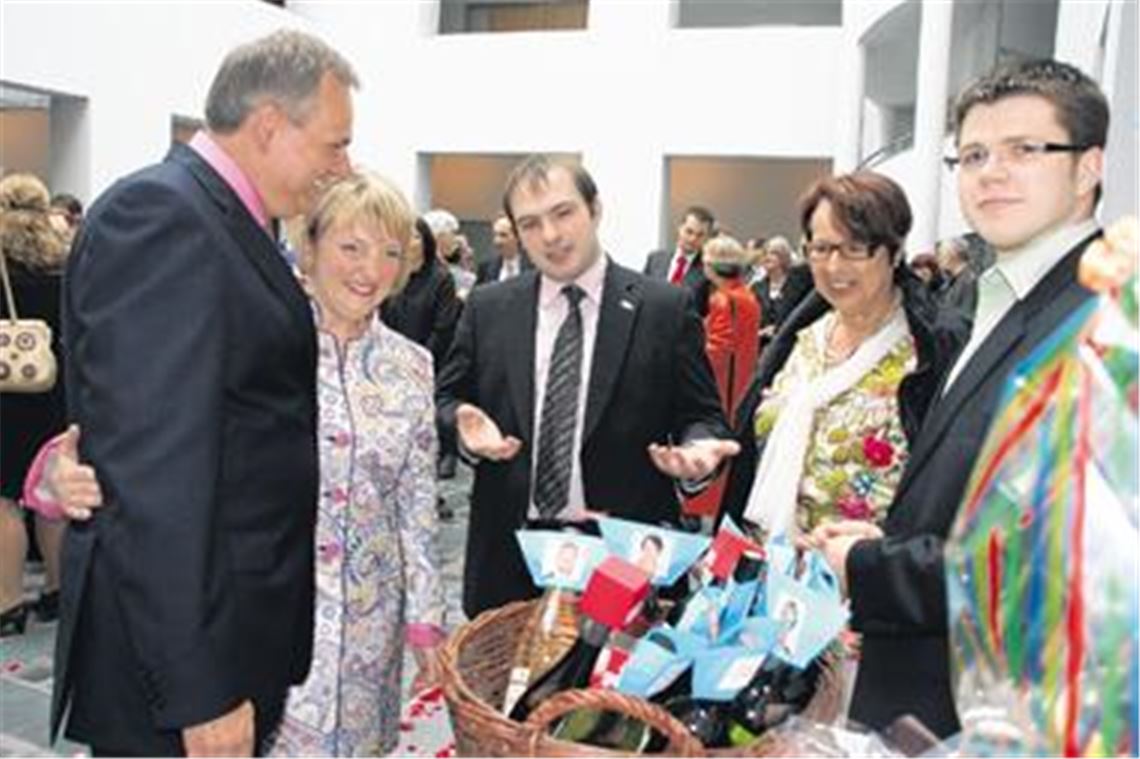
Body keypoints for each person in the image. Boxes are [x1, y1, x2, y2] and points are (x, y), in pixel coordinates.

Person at [35, 172, 448, 756]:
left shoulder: (413, 366)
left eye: (389, 252)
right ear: (311, 245)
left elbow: (416, 503)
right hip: (263, 618)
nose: (370, 269)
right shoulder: (256, 338)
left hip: (369, 632)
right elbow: (159, 443)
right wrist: (58, 471)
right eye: (351, 247)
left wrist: (426, 618)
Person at [53, 30, 356, 756]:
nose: (342, 166)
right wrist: (200, 688)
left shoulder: (217, 217)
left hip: (226, 637)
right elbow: (159, 475)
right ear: (269, 127)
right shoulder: (167, 219)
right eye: (334, 144)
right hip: (182, 672)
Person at [810, 58, 1109, 738]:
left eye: (1024, 150)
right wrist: (889, 538)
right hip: (928, 695)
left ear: (1088, 167)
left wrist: (867, 566)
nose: (991, 172)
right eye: (973, 154)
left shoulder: (1102, 322)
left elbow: (1048, 573)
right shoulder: (994, 296)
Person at [436, 155, 738, 618]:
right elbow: (448, 396)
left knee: (608, 695)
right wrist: (459, 424)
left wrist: (697, 455)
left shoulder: (665, 309)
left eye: (563, 213)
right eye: (531, 223)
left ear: (594, 209)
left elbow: (703, 416)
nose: (551, 236)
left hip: (626, 564)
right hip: (508, 561)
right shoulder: (488, 308)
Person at [719, 171, 966, 541]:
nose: (834, 267)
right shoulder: (801, 338)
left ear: (895, 251)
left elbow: (958, 494)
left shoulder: (936, 350)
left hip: (870, 583)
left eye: (855, 249)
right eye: (821, 248)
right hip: (773, 574)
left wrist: (885, 550)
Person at [0, 173, 70, 637]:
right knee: (49, 498)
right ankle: (57, 589)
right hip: (56, 393)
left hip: (5, 396)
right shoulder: (64, 263)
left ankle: (7, 601)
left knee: (4, 499)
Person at [682, 234, 761, 521]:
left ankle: (703, 511)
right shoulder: (747, 296)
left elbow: (716, 348)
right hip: (741, 381)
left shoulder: (723, 300)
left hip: (722, 386)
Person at [753, 235, 814, 347]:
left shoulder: (799, 283)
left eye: (773, 253)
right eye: (765, 253)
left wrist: (777, 329)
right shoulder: (756, 288)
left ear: (784, 257)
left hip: (791, 343)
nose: (767, 257)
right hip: (762, 345)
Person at [643, 205, 715, 294]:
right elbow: (642, 293)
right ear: (680, 228)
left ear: (707, 238)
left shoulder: (708, 271)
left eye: (700, 235)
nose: (693, 238)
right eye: (689, 231)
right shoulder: (655, 259)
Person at [476, 213, 532, 285]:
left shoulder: (534, 267)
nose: (497, 241)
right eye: (495, 235)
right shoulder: (486, 267)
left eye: (503, 235)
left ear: (518, 237)